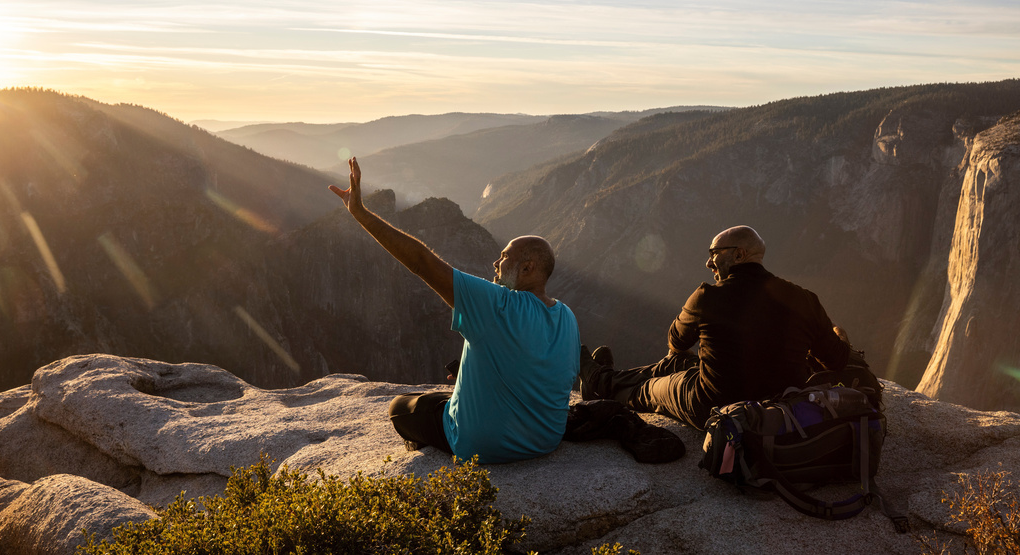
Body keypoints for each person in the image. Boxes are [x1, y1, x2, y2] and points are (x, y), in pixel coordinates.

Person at [330, 157, 580, 463]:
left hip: (480, 445)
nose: (495, 264)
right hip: (546, 440)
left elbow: (421, 262)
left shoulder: (498, 305)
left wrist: (360, 213)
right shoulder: (567, 317)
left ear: (527, 268)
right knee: (441, 398)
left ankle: (433, 442)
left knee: (401, 408)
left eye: (504, 257)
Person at [579, 225, 850, 430]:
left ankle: (602, 385)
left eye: (714, 254)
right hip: (780, 407)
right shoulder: (803, 298)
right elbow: (836, 359)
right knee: (680, 364)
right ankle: (603, 378)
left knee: (650, 389)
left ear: (739, 254)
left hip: (712, 405)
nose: (708, 263)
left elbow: (676, 342)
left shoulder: (708, 296)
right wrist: (836, 334)